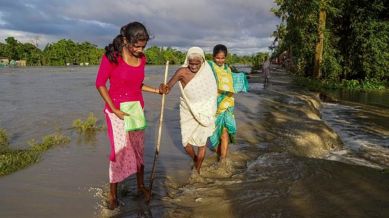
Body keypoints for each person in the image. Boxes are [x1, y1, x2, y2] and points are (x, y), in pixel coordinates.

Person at [95, 21, 162, 210]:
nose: (140, 50)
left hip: (136, 111)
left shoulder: (142, 59)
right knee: (119, 152)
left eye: (143, 46)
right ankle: (112, 194)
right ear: (126, 40)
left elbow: (136, 85)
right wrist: (114, 109)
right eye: (136, 46)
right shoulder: (112, 57)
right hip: (116, 112)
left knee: (138, 150)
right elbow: (100, 84)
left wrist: (157, 91)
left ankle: (140, 186)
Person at [162, 47, 217, 174]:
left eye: (197, 64)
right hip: (187, 109)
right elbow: (169, 87)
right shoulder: (182, 72)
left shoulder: (207, 72)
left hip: (204, 110)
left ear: (202, 61)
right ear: (187, 61)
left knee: (202, 143)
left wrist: (210, 108)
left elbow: (212, 92)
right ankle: (195, 159)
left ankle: (197, 171)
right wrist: (163, 88)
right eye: (191, 63)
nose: (193, 66)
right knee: (185, 142)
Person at [207, 44, 237, 163]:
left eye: (222, 58)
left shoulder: (227, 69)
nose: (220, 60)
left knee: (224, 133)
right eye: (218, 58)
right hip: (214, 106)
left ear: (226, 57)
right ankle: (219, 154)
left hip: (227, 105)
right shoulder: (209, 67)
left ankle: (222, 160)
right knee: (215, 133)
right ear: (213, 56)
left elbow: (230, 83)